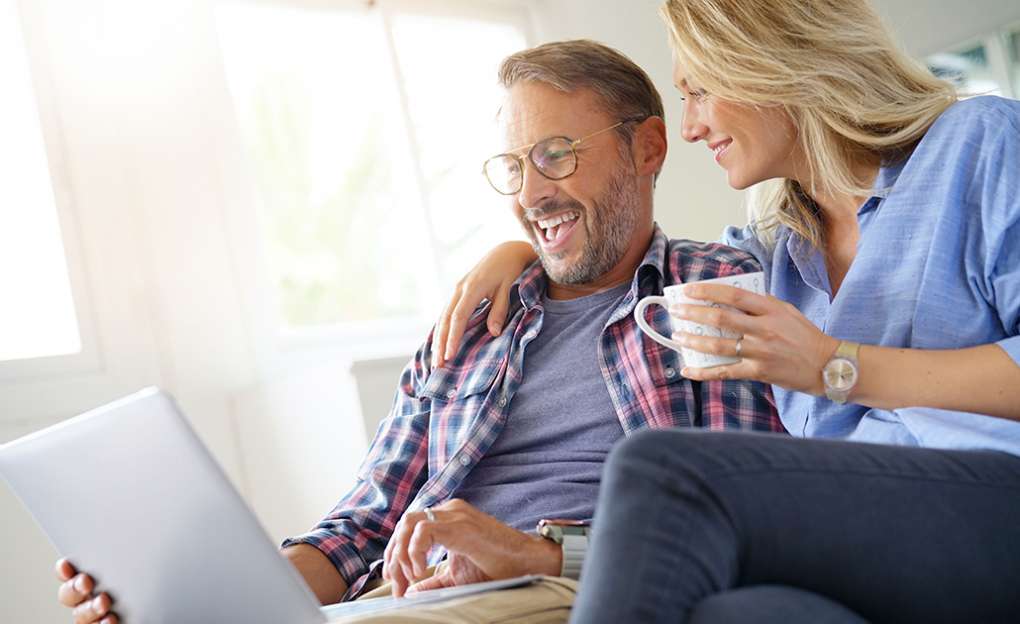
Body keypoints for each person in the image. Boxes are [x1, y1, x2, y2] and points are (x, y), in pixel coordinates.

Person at [53, 40, 783, 624]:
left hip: (566, 590)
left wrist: (530, 552)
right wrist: (193, 602)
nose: (531, 195)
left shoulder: (709, 288)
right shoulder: (472, 329)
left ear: (648, 147)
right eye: (514, 167)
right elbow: (360, 530)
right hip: (415, 599)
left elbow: (735, 521)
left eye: (556, 155)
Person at [434, 1, 1020, 621]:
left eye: (700, 91)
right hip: (856, 540)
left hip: (990, 504)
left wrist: (832, 366)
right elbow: (632, 257)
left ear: (776, 65)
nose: (689, 126)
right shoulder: (776, 249)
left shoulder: (979, 144)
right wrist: (526, 249)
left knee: (664, 469)